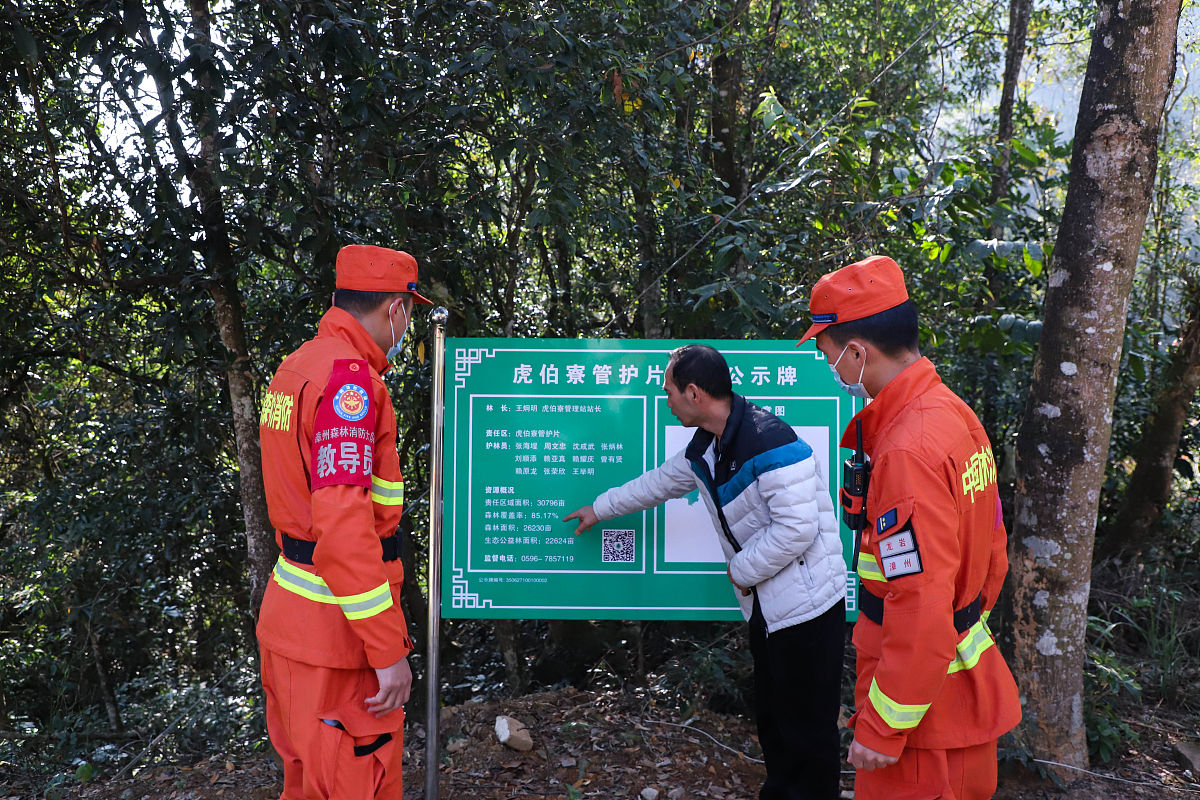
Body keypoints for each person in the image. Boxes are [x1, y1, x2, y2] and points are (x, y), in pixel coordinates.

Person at [565, 344, 846, 800]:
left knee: (808, 728)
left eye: (670, 391)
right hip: (769, 607)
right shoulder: (707, 447)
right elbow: (658, 483)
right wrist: (599, 509)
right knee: (775, 718)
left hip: (809, 607)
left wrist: (741, 570)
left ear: (694, 393)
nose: (667, 400)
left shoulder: (768, 438)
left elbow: (797, 529)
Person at [799, 254, 1021, 800]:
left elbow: (919, 601)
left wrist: (882, 725)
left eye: (829, 354)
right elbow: (993, 551)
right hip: (960, 700)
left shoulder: (906, 450)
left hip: (918, 729)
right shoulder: (953, 416)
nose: (831, 368)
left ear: (857, 350)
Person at [257, 244, 432, 800]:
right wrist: (388, 652)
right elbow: (344, 530)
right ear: (396, 310)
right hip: (338, 640)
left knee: (306, 783)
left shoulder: (297, 366)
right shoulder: (351, 384)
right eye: (411, 315)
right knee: (358, 781)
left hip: (291, 625)